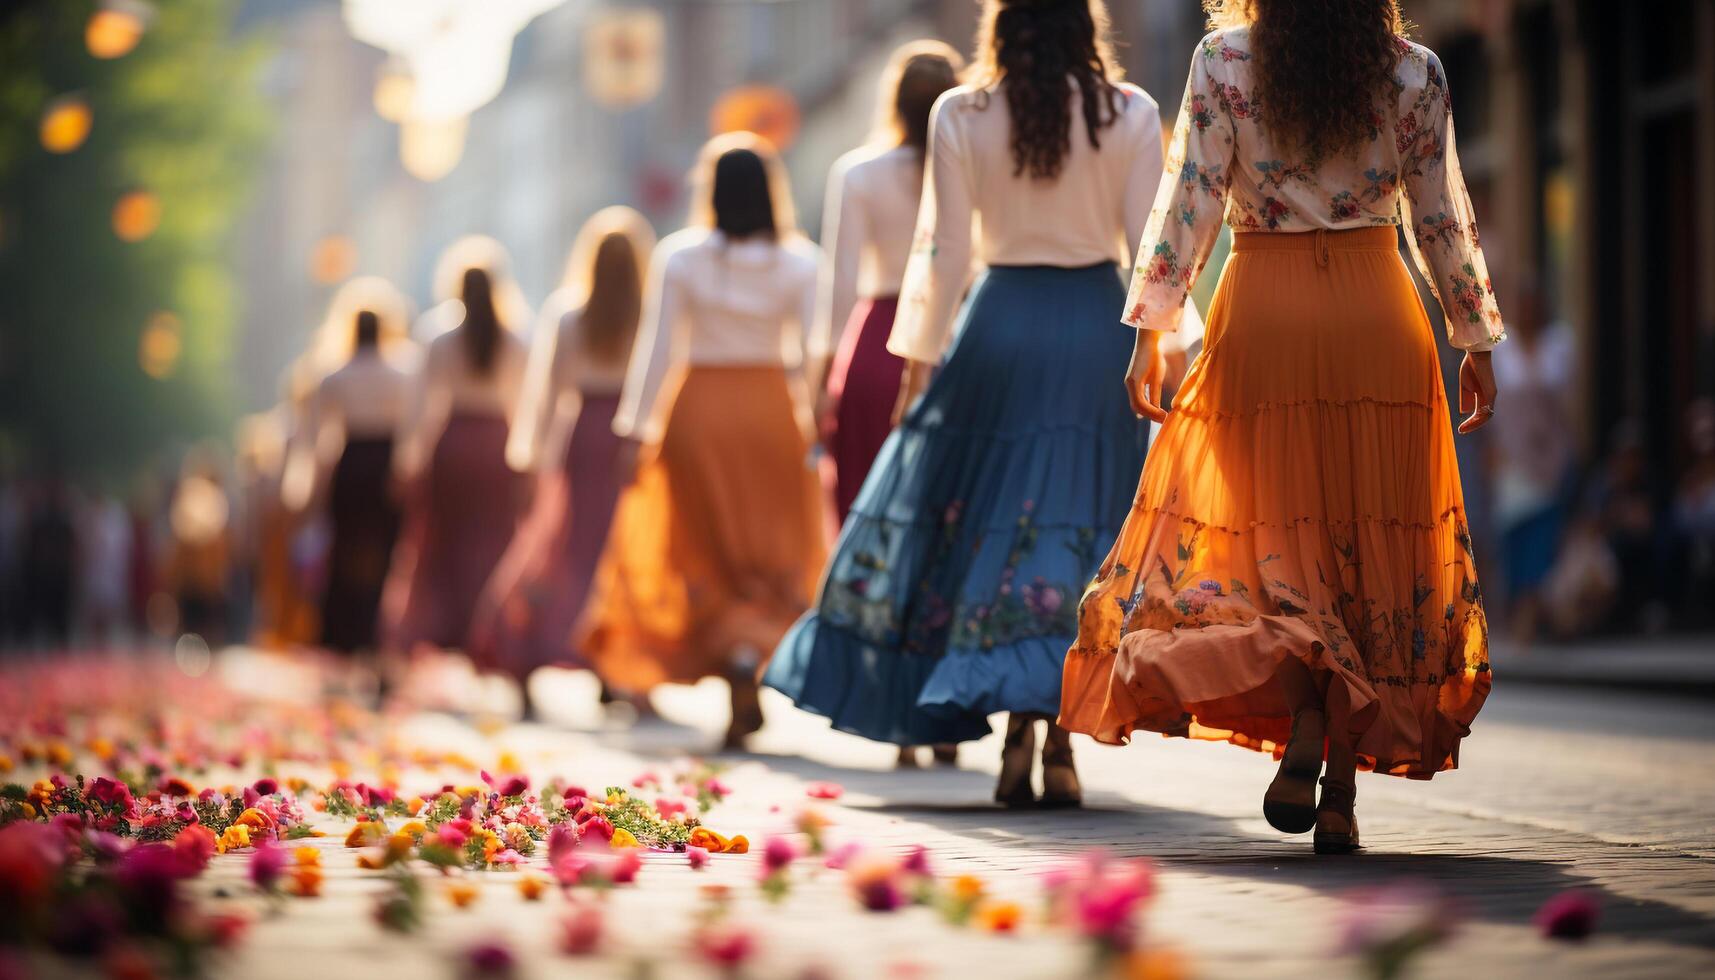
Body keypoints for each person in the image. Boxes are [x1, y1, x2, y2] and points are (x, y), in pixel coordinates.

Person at [1060, 0, 1504, 854]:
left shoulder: (1224, 59)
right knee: (1363, 552)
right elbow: (1439, 213)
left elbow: (1190, 197)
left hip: (1262, 311)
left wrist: (1151, 333)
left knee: (1277, 550)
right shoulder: (1414, 69)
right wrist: (1474, 337)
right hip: (1378, 316)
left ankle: (1307, 715)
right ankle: (1338, 789)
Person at [765, 0, 1179, 806]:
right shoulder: (1129, 112)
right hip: (1095, 328)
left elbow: (942, 253)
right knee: (1078, 527)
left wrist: (918, 369)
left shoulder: (962, 112)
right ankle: (1059, 735)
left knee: (997, 520)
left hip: (997, 328)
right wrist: (1165, 344)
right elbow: (1149, 245)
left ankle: (1018, 735)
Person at [579, 134, 826, 749]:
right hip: (771, 411)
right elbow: (812, 354)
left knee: (703, 549)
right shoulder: (801, 262)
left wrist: (636, 428)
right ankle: (750, 651)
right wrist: (817, 420)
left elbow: (658, 348)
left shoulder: (681, 256)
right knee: (766, 550)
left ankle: (732, 655)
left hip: (698, 412)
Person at [470, 207, 655, 719]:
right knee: (629, 554)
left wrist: (530, 461)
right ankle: (624, 668)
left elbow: (545, 395)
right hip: (631, 440)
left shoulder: (567, 314)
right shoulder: (648, 312)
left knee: (568, 552)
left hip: (583, 439)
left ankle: (532, 655)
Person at [813, 40, 963, 532]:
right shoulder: (971, 173)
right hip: (959, 331)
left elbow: (841, 282)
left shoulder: (858, 173)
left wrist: (820, 375)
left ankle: (866, 597)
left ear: (894, 101)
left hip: (878, 338)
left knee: (866, 487)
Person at [382, 238, 530, 660]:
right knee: (496, 543)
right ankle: (490, 633)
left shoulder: (436, 335)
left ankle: (445, 630)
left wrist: (406, 463)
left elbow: (418, 409)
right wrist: (528, 464)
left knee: (443, 546)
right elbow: (523, 403)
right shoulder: (516, 336)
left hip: (452, 446)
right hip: (497, 447)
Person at [287, 280, 416, 661]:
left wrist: (307, 492)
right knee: (388, 553)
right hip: (386, 467)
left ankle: (348, 634)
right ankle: (380, 630)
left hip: (350, 468)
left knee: (347, 554)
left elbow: (314, 443)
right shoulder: (403, 372)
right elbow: (412, 428)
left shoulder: (333, 376)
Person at [1487, 283, 1577, 640]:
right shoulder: (1501, 349)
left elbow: (1569, 403)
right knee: (1516, 535)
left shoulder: (1559, 346)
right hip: (1511, 461)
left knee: (1544, 533)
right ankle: (1522, 612)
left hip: (1550, 456)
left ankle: (1533, 614)